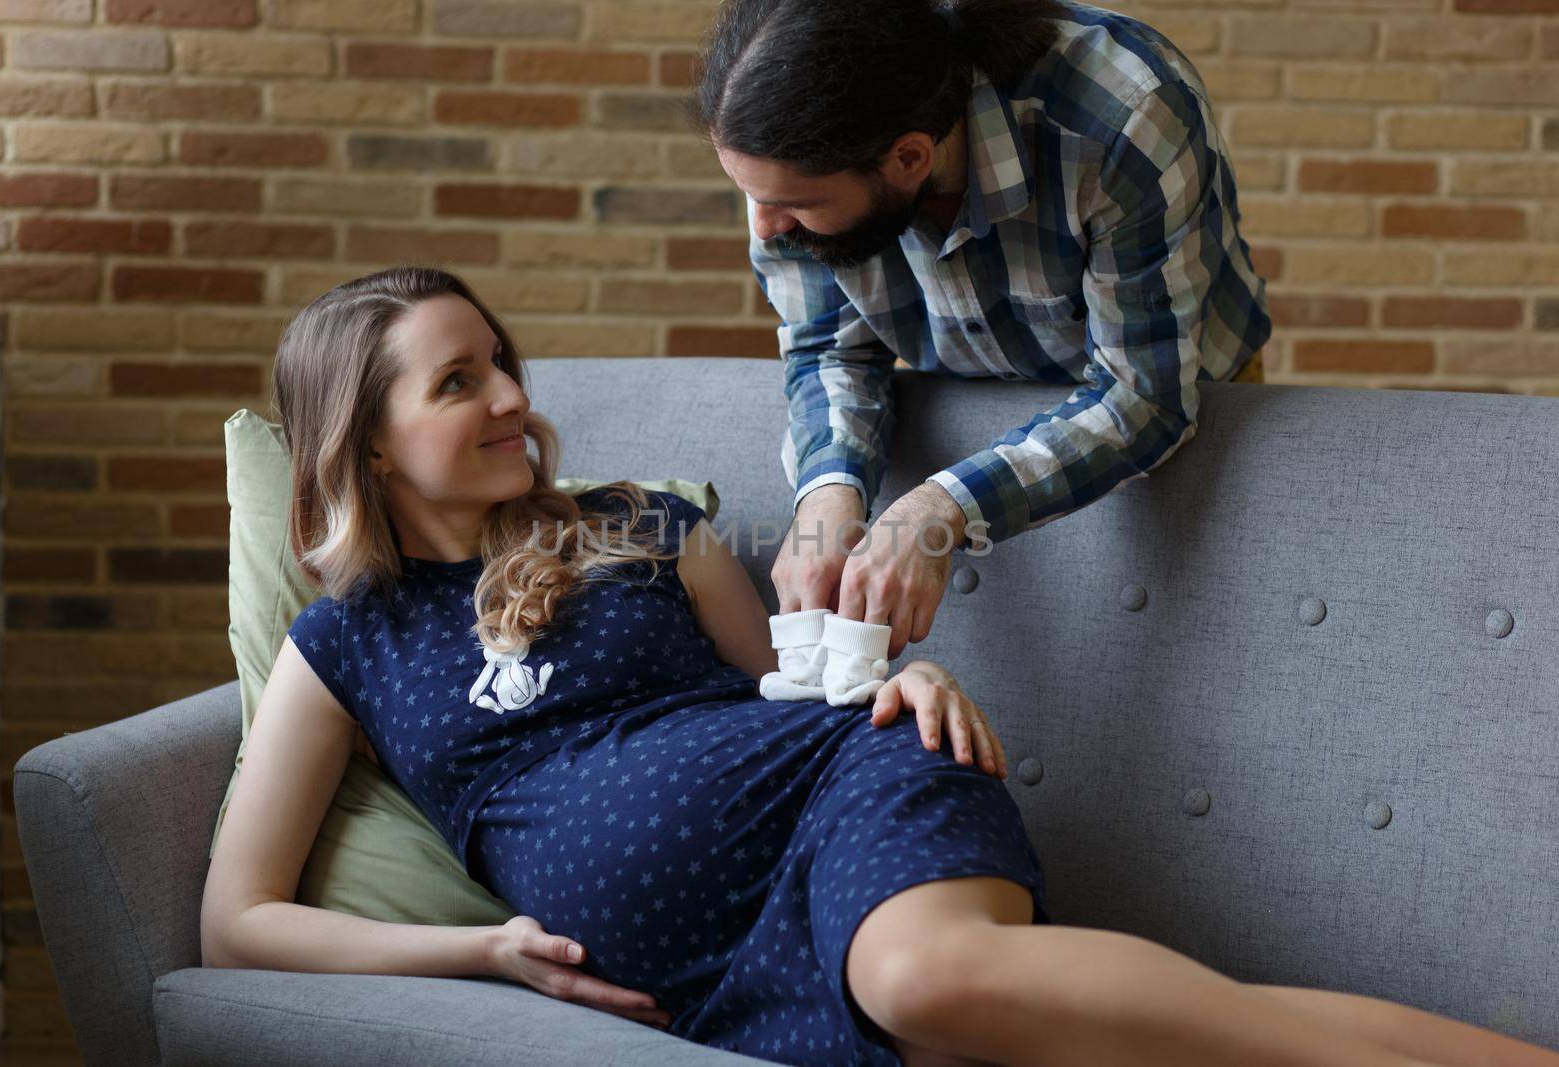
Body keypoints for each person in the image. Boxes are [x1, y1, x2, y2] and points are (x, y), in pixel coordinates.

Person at [200, 267, 1555, 1067]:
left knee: (929, 980)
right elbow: (239, 919)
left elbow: (803, 678)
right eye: (455, 382)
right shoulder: (344, 645)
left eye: (499, 361)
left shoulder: (634, 525)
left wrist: (902, 681)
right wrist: (482, 950)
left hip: (843, 802)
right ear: (369, 442)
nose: (509, 395)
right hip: (708, 958)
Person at [695, 0, 1274, 661]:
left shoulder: (1127, 113)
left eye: (794, 204)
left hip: (1182, 410)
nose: (764, 229)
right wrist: (827, 492)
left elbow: (1143, 399)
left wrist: (937, 511)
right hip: (969, 402)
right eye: (752, 197)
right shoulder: (796, 159)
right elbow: (830, 345)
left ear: (908, 158)